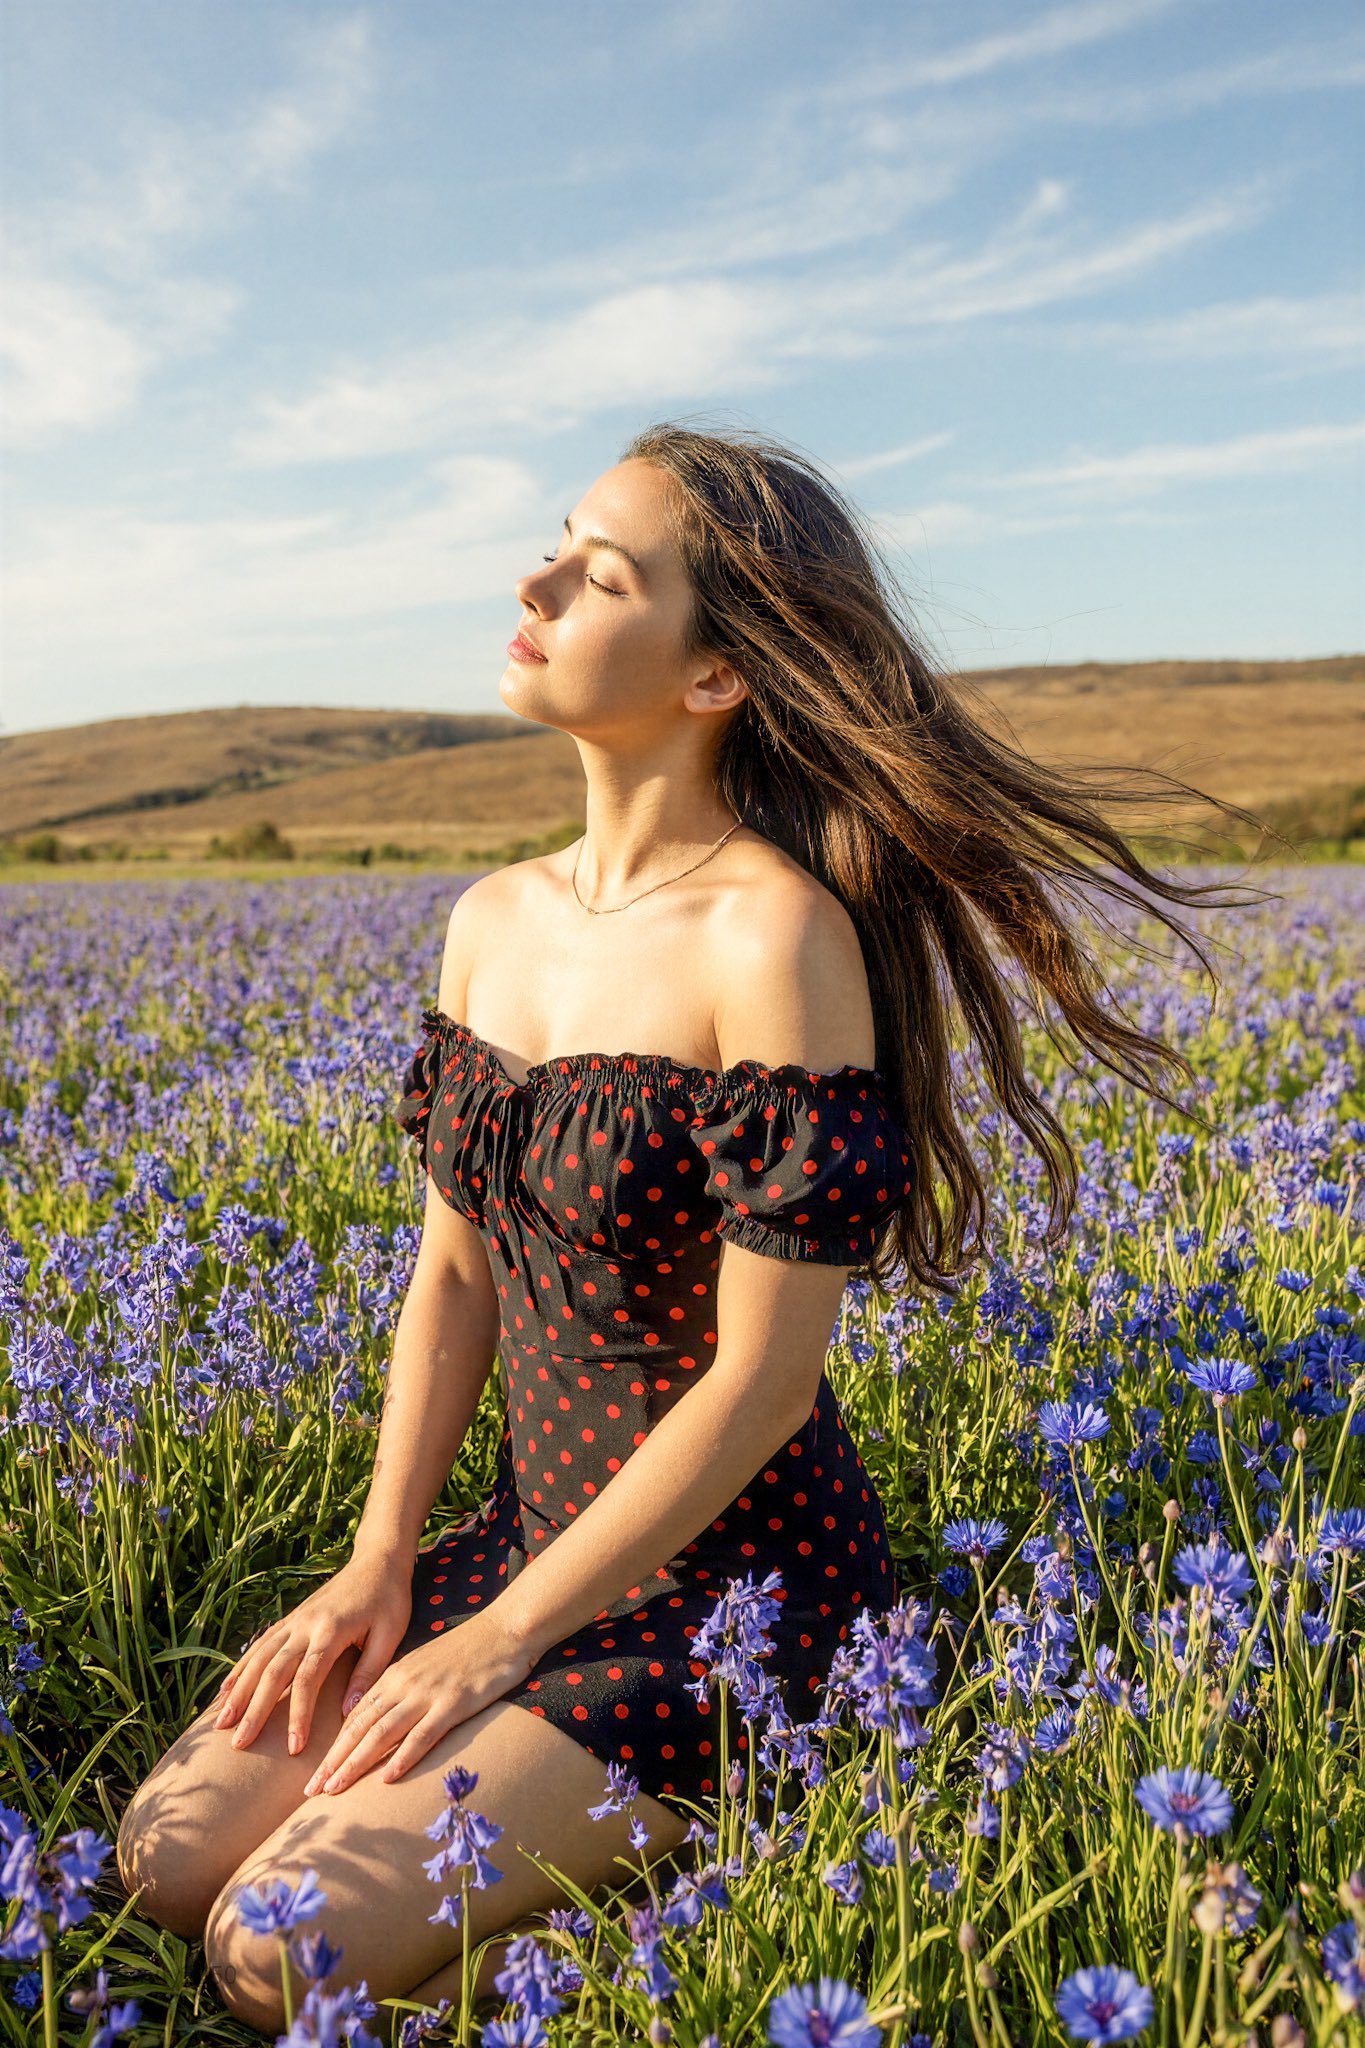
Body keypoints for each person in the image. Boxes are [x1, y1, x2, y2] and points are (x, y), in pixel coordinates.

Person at [114, 421, 1262, 2039]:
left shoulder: (775, 939)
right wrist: (384, 1571)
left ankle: (708, 1889)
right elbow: (452, 1274)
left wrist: (501, 1647)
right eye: (554, 544)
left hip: (730, 1595)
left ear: (716, 674)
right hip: (530, 1550)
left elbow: (759, 1386)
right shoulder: (489, 920)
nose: (533, 582)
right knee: (161, 1863)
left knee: (265, 1957)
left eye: (597, 573)